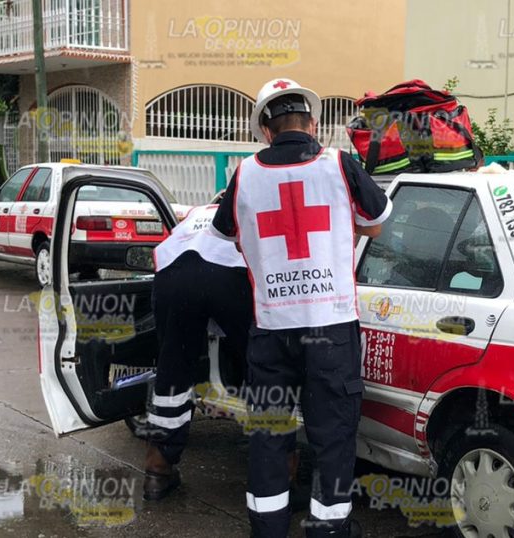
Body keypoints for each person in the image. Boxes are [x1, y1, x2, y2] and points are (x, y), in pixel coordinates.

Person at [211, 79, 391, 538]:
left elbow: (225, 233)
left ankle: (267, 530)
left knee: (269, 437)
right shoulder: (339, 164)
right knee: (332, 439)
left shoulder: (244, 174)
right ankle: (328, 531)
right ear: (313, 124)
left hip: (271, 330)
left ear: (266, 131)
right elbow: (377, 223)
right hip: (330, 329)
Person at [143, 202, 252, 500]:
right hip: (230, 272)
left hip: (173, 273)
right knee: (261, 363)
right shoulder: (246, 206)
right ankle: (278, 469)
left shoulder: (196, 212)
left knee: (173, 372)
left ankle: (158, 469)